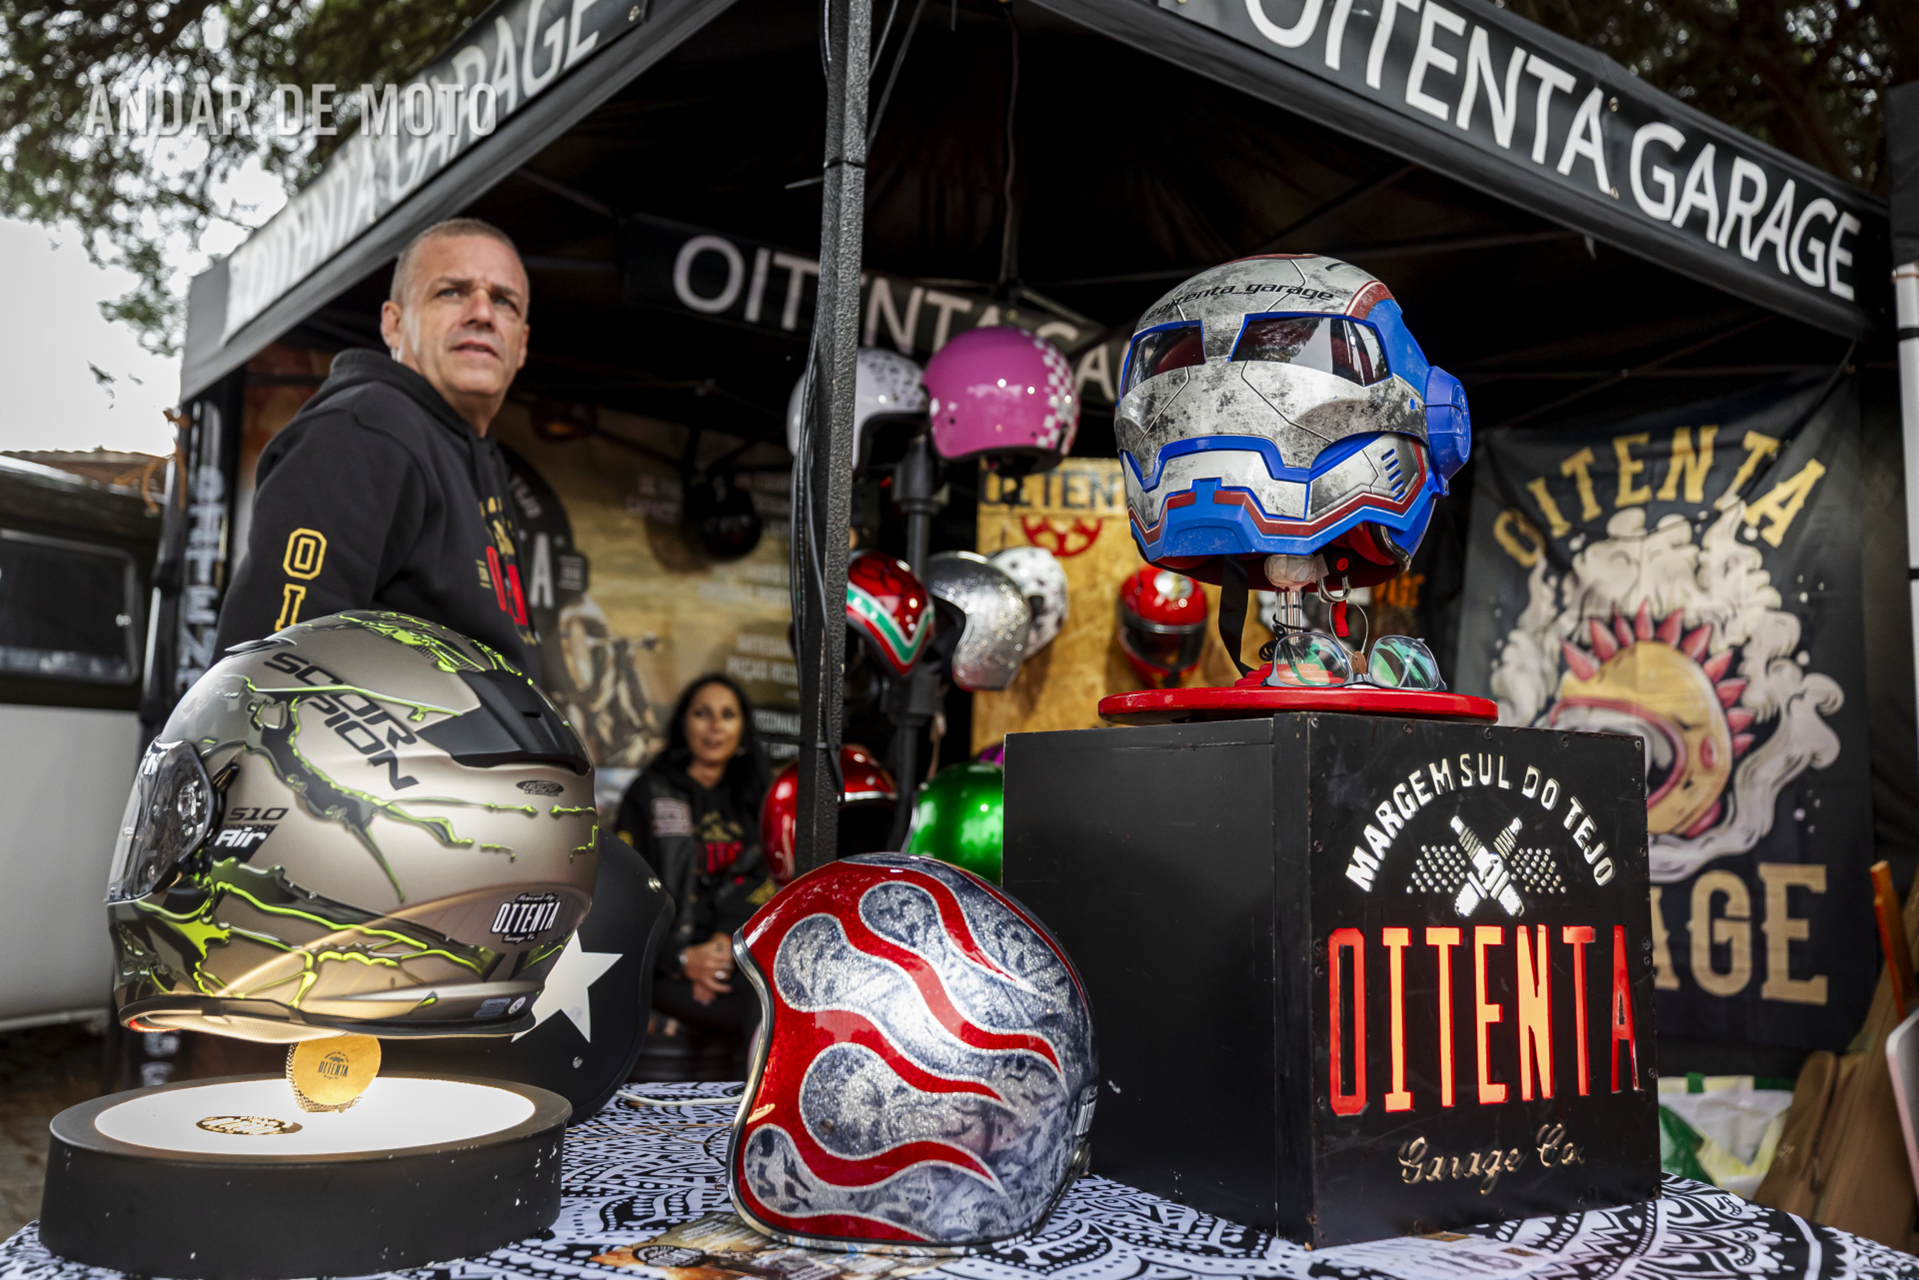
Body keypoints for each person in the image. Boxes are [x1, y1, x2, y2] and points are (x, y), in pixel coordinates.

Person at [213, 217, 540, 672]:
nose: (482, 313)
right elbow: (264, 676)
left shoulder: (476, 456)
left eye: (504, 301)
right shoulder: (364, 429)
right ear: (394, 323)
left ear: (521, 343)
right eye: (451, 292)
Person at [616, 675, 775, 1039]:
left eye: (728, 715)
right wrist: (683, 959)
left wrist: (723, 945)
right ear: (683, 723)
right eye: (702, 713)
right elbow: (626, 892)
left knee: (771, 1001)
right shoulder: (649, 792)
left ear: (743, 728)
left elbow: (767, 878)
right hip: (660, 966)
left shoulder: (758, 797)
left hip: (738, 956)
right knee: (757, 1010)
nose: (715, 726)